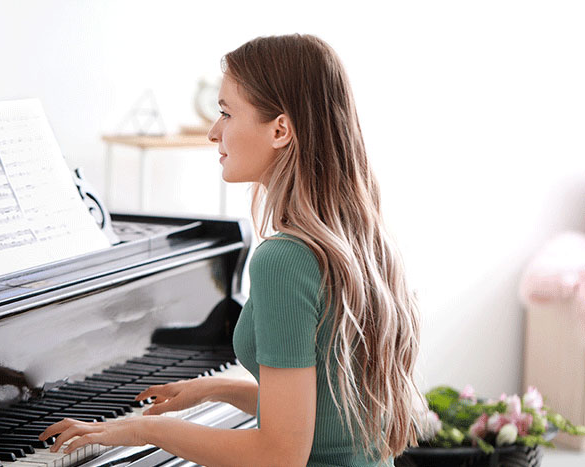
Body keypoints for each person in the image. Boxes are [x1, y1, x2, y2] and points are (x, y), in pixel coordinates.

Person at [40, 34, 423, 467]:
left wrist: (143, 429)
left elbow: (280, 455)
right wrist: (216, 389)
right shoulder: (359, 238)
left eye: (226, 113)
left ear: (281, 129)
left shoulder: (285, 260)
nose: (212, 131)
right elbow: (328, 416)